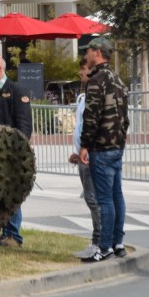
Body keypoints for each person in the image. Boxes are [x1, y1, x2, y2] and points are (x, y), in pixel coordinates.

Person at [79, 37, 129, 263]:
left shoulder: (96, 81)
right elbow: (125, 117)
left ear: (97, 52)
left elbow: (91, 117)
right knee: (117, 195)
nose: (86, 55)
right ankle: (118, 243)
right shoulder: (118, 80)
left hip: (101, 147)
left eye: (88, 51)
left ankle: (105, 246)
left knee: (104, 199)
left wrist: (84, 145)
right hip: (117, 146)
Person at [0, 55, 32, 247]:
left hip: (7, 151)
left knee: (10, 192)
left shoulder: (17, 91)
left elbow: (24, 125)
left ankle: (13, 235)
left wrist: (18, 151)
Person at [68, 58, 100, 259]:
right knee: (91, 199)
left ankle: (100, 242)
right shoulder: (84, 97)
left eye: (84, 70)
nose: (81, 73)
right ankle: (100, 241)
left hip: (91, 156)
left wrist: (86, 150)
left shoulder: (95, 97)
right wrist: (78, 151)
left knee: (94, 199)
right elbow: (81, 127)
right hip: (83, 155)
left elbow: (94, 127)